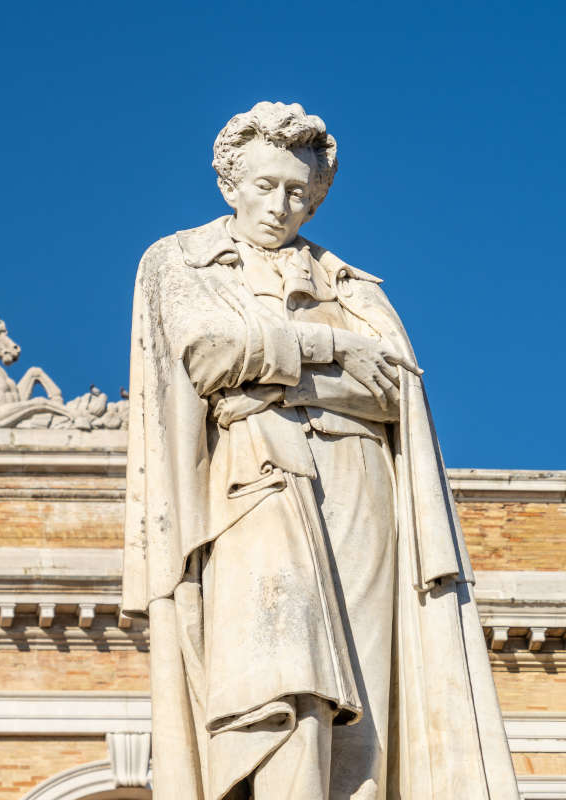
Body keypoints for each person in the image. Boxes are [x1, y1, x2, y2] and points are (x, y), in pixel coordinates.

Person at [121, 102, 519, 799]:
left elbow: (395, 391)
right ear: (230, 184)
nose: (281, 205)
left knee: (361, 690)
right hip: (256, 484)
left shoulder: (351, 286)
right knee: (278, 673)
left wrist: (271, 377)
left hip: (361, 484)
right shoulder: (180, 260)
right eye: (267, 186)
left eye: (299, 192)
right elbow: (210, 356)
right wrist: (327, 346)